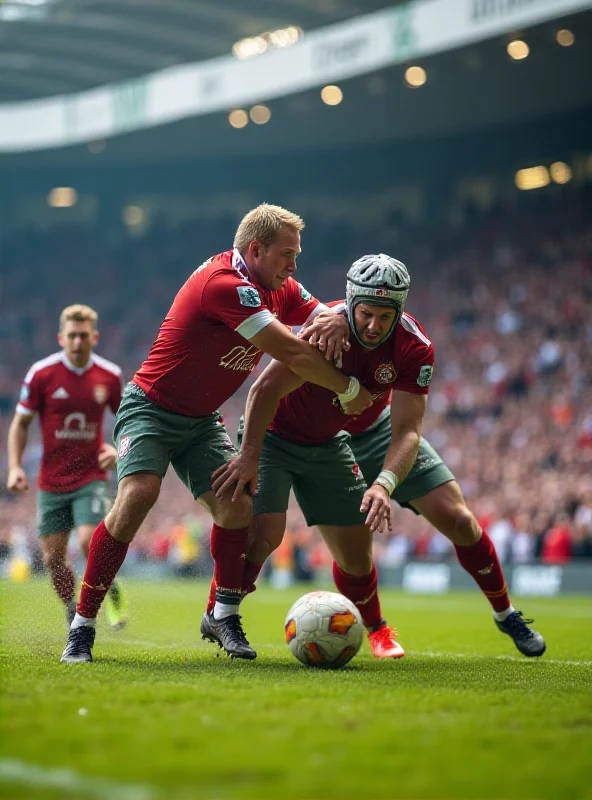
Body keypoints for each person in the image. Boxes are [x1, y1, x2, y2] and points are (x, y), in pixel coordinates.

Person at [60, 203, 373, 664]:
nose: (294, 266)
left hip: (201, 420)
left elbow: (319, 312)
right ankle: (82, 627)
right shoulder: (226, 286)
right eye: (288, 254)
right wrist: (349, 389)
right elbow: (292, 351)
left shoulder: (277, 285)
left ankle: (223, 615)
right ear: (256, 249)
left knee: (236, 503)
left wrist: (337, 313)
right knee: (139, 495)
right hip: (151, 408)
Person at [214, 254, 547, 659]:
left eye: (384, 317)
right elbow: (264, 389)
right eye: (366, 314)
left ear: (400, 311)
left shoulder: (414, 347)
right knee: (272, 538)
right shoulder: (324, 329)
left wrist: (384, 483)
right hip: (301, 438)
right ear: (351, 303)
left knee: (457, 520)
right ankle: (225, 612)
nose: (373, 326)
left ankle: (505, 613)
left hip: (374, 433)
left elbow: (407, 430)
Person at [6, 304, 127, 630]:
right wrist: (15, 466)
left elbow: (128, 421)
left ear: (95, 337)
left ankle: (110, 592)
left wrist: (118, 449)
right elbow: (20, 423)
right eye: (71, 336)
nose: (77, 342)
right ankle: (71, 607)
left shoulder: (109, 375)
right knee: (53, 559)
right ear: (61, 337)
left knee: (90, 541)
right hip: (51, 481)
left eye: (83, 336)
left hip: (91, 476)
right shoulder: (41, 374)